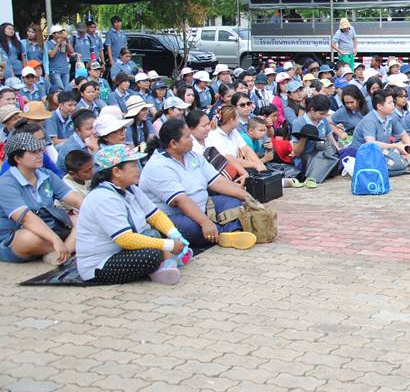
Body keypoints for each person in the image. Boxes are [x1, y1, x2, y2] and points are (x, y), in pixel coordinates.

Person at [75, 145, 190, 285]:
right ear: (116, 171)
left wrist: (174, 235)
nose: (138, 170)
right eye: (134, 166)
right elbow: (125, 239)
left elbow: (156, 216)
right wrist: (168, 245)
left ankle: (166, 261)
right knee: (151, 255)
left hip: (125, 249)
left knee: (176, 229)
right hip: (102, 263)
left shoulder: (131, 189)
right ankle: (164, 263)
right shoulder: (103, 197)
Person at [139, 119, 257, 249]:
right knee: (193, 227)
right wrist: (205, 222)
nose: (192, 139)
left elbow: (218, 182)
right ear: (173, 143)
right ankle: (227, 232)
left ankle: (230, 232)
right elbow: (180, 200)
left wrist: (249, 198)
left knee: (234, 201)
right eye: (188, 137)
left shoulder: (192, 156)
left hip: (204, 205)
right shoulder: (158, 166)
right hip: (175, 215)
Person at [0, 132, 83, 265]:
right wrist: (54, 238)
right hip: (14, 236)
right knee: (28, 238)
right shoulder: (5, 183)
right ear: (18, 158)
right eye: (33, 152)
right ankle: (62, 249)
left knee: (82, 219)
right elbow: (26, 218)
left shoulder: (46, 174)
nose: (40, 155)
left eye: (40, 150)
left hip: (49, 225)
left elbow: (75, 199)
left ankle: (62, 253)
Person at [353, 90, 410, 172]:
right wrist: (395, 146)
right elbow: (371, 143)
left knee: (402, 151)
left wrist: (409, 148)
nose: (393, 105)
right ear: (379, 106)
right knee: (396, 159)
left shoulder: (391, 116)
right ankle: (402, 164)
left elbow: (403, 135)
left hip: (384, 150)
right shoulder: (369, 120)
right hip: (367, 154)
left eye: (393, 102)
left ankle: (402, 163)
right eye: (390, 103)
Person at [207, 105, 266, 173]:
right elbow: (230, 159)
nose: (239, 120)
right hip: (221, 171)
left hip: (235, 168)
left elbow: (246, 149)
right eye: (238, 117)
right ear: (232, 120)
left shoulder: (233, 131)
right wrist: (255, 165)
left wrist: (259, 164)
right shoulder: (214, 135)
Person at [46, 25, 73, 91]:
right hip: (55, 70)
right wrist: (58, 44)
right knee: (59, 89)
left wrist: (67, 41)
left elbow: (72, 52)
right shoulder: (48, 43)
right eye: (58, 33)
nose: (61, 34)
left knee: (67, 89)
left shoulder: (64, 43)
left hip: (65, 69)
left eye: (61, 32)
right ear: (53, 34)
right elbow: (51, 55)